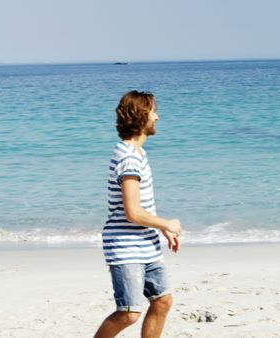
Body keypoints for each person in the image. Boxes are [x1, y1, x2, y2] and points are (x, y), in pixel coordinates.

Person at [94, 91, 181, 338]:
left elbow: (141, 207)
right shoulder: (128, 158)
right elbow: (132, 212)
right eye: (153, 111)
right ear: (141, 116)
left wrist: (161, 228)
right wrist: (168, 223)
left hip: (145, 244)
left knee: (162, 300)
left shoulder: (137, 154)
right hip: (125, 246)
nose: (158, 117)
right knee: (129, 313)